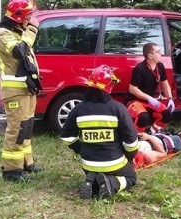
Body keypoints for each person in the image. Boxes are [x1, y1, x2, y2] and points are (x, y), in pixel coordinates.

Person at [60, 65, 140, 199]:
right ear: (110, 86)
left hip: (88, 165)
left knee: (97, 173)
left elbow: (66, 137)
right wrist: (129, 158)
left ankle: (93, 183)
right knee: (131, 178)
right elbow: (131, 142)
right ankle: (111, 183)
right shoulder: (118, 109)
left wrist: (81, 149)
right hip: (115, 163)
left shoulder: (79, 109)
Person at [0, 0, 44, 182]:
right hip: (14, 92)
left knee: (27, 127)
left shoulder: (18, 32)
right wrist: (31, 30)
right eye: (28, 16)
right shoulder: (2, 34)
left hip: (27, 88)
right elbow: (19, 51)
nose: (31, 19)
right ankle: (11, 170)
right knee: (16, 128)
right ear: (18, 16)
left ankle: (26, 163)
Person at [127, 42, 174, 133]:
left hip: (150, 101)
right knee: (143, 118)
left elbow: (165, 83)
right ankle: (138, 136)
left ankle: (151, 132)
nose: (161, 54)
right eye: (158, 52)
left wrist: (170, 98)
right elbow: (132, 89)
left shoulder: (160, 66)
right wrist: (149, 98)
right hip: (135, 100)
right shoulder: (139, 68)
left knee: (167, 114)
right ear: (150, 56)